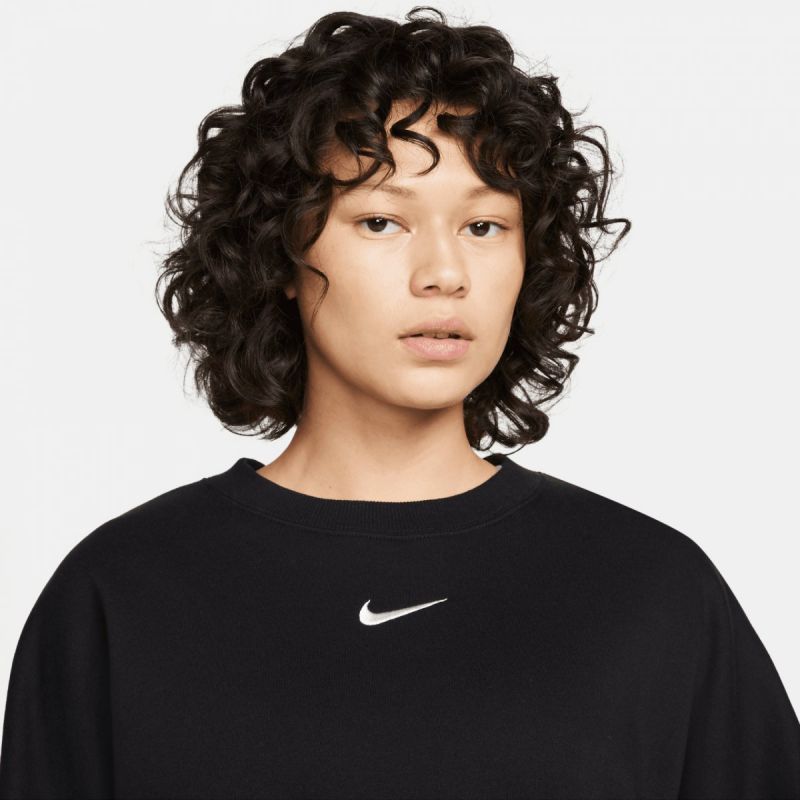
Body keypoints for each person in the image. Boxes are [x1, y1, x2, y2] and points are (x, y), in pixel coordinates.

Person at [1, 6, 799, 798]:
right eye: (382, 221)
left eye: (484, 226)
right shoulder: (125, 591)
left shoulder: (650, 590)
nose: (444, 273)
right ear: (281, 250)